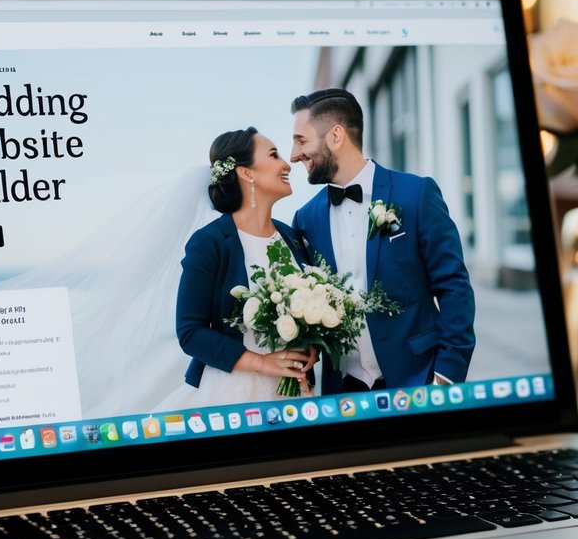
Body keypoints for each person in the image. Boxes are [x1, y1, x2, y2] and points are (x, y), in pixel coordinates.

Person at [289, 88, 475, 394]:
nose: (294, 155)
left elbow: (454, 286)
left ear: (335, 137)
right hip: (343, 394)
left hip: (419, 381)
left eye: (301, 141)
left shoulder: (416, 195)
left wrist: (446, 376)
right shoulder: (305, 219)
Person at [158, 127, 317, 410]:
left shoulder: (292, 237)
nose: (285, 164)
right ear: (247, 173)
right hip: (233, 394)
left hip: (298, 394)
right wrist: (262, 363)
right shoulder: (209, 243)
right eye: (274, 155)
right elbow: (190, 332)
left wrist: (312, 345)